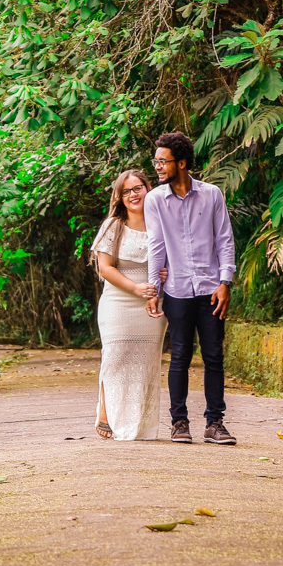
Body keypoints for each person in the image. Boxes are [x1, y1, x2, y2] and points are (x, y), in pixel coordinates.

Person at [144, 131, 237, 446]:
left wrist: (226, 283)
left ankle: (214, 423)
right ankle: (179, 422)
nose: (157, 166)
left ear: (181, 163)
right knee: (180, 356)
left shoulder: (211, 195)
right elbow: (156, 247)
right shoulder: (155, 200)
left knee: (214, 356)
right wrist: (154, 289)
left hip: (211, 288)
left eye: (162, 161)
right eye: (155, 160)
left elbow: (224, 239)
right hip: (178, 289)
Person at [90, 169, 169, 440]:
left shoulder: (162, 222)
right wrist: (135, 287)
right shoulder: (113, 226)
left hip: (152, 303)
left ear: (148, 189)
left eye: (138, 188)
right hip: (119, 300)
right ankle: (106, 413)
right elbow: (105, 268)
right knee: (115, 357)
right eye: (126, 191)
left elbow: (175, 259)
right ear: (119, 197)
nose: (133, 195)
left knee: (146, 363)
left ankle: (139, 422)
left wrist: (165, 273)